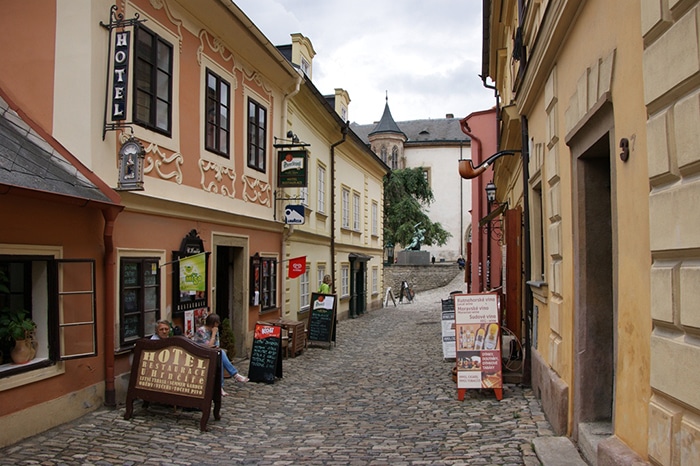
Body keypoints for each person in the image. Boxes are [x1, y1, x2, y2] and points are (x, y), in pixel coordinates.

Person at [192, 313, 248, 396]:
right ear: (213, 323)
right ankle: (234, 375)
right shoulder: (201, 331)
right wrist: (214, 334)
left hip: (212, 353)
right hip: (200, 353)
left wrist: (215, 338)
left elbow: (217, 345)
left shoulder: (215, 330)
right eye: (217, 323)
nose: (218, 325)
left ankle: (220, 387)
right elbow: (208, 346)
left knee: (219, 357)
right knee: (220, 354)